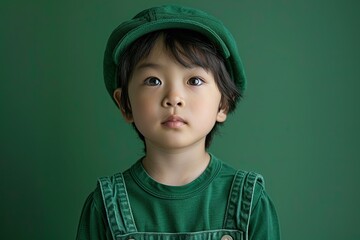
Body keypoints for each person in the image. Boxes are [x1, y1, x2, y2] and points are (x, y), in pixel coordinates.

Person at [76, 4, 280, 240]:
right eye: (153, 80)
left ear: (223, 104)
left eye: (194, 81)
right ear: (125, 104)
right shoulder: (104, 205)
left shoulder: (251, 200)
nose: (174, 97)